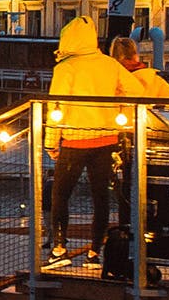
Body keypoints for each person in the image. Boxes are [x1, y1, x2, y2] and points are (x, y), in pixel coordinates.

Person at [45, 17, 135, 262]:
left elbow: (57, 107)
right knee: (100, 198)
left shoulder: (65, 68)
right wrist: (120, 113)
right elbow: (133, 91)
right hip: (105, 139)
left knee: (61, 195)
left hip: (74, 140)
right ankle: (96, 251)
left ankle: (60, 248)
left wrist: (51, 142)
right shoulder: (110, 64)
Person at [109, 36, 169, 228]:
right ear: (136, 55)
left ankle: (125, 226)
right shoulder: (151, 78)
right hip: (147, 137)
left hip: (115, 137)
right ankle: (145, 224)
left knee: (123, 186)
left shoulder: (109, 77)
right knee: (145, 184)